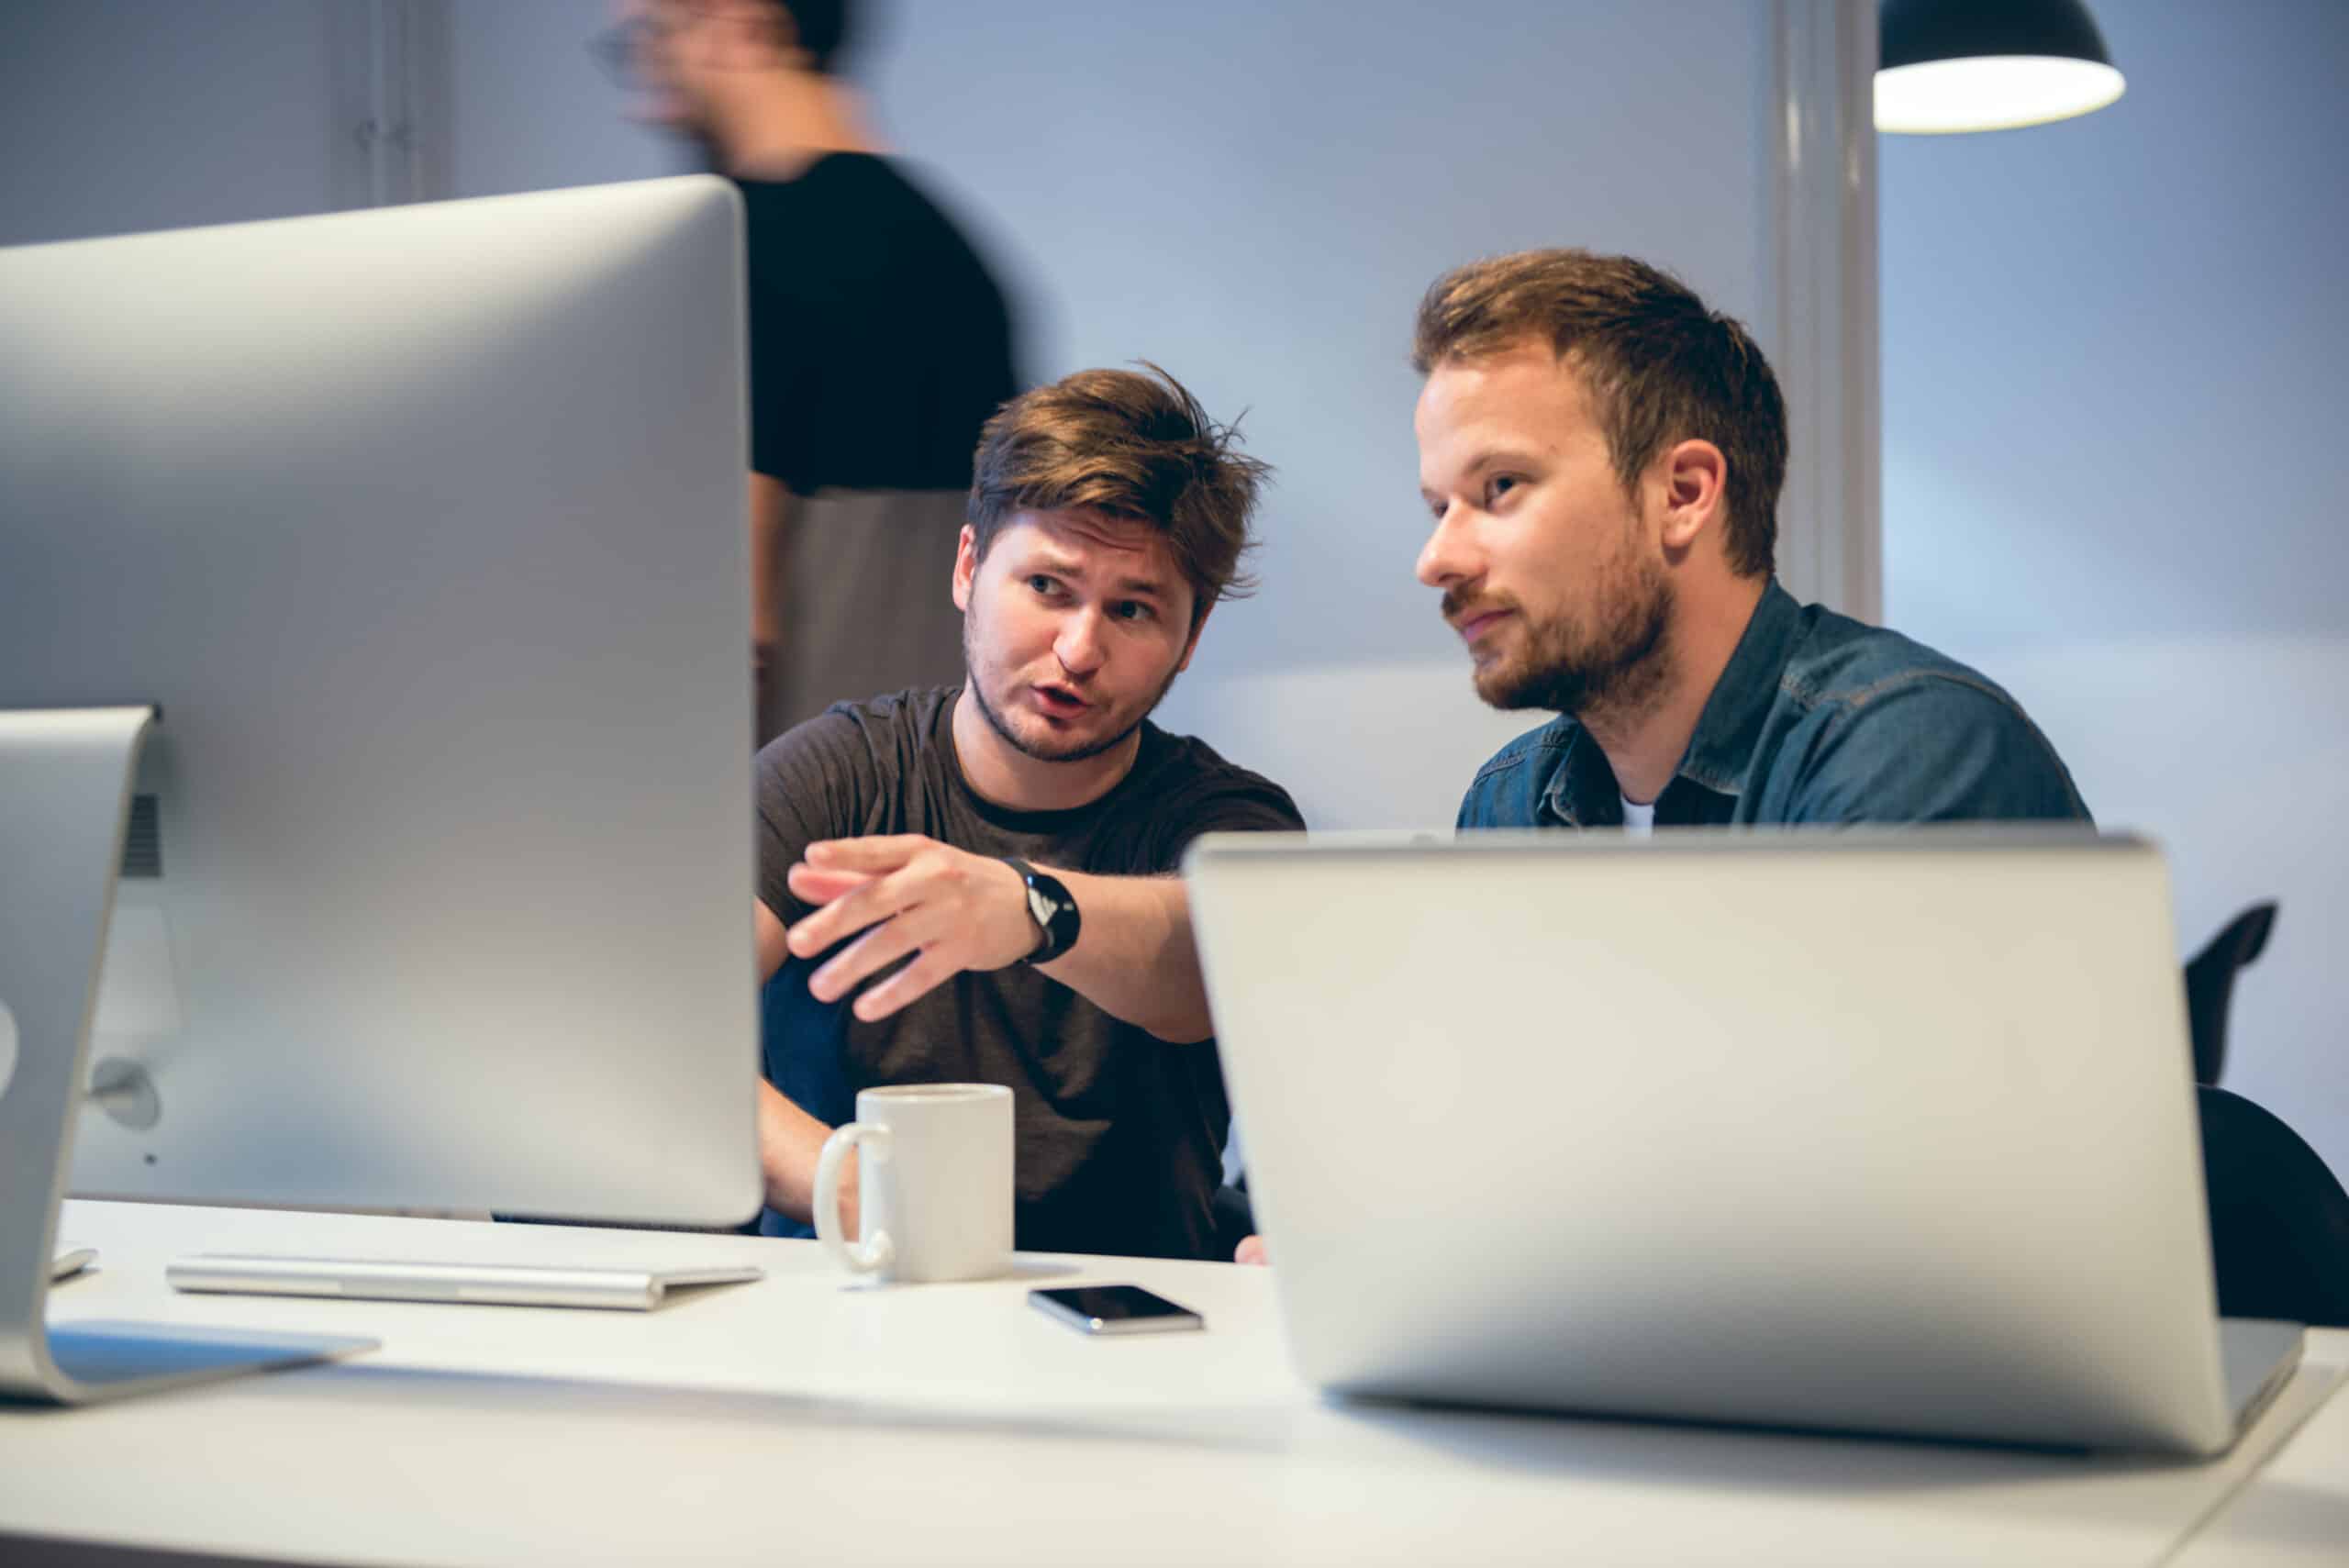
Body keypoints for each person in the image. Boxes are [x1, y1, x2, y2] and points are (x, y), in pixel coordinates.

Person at [1233, 250, 2086, 1266]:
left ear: (1682, 492)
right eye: (1438, 507)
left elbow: (1875, 1232)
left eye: (1498, 487)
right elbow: (1511, 1162)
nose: (1438, 558)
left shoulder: (1909, 752)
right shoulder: (1513, 802)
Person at [752, 364, 1303, 1262]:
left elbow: (1214, 965)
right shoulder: (834, 776)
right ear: (968, 566)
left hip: (1140, 1311)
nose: (1079, 649)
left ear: (1190, 638)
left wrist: (1029, 907)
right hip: (846, 1289)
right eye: (1047, 586)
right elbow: (664, 1027)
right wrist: (851, 1185)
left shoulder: (1227, 818)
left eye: (1132, 609)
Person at [621, 0, 1020, 744]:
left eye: (654, 35)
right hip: (937, 769)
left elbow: (738, 621)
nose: (643, 87)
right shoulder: (958, 256)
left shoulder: (740, 245)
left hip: (792, 782)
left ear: (743, 24)